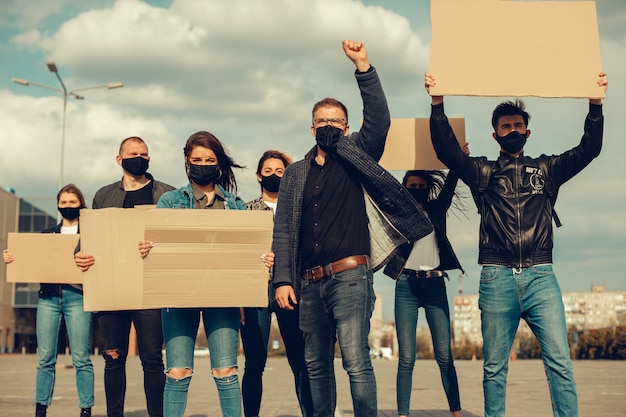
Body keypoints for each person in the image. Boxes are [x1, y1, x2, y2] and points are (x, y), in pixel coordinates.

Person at [425, 71, 608, 417]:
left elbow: (590, 149)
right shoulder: (483, 173)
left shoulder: (547, 170)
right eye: (505, 127)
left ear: (527, 132)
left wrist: (595, 103)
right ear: (495, 135)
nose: (512, 131)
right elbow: (447, 149)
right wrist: (437, 102)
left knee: (560, 363)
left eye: (517, 126)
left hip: (542, 277)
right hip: (497, 278)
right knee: (494, 368)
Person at [272, 40, 433, 417]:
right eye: (322, 121)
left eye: (335, 122)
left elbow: (379, 121)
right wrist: (282, 280)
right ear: (312, 127)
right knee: (315, 364)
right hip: (308, 283)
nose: (328, 126)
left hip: (350, 277)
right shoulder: (295, 173)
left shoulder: (356, 155)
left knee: (356, 359)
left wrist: (363, 66)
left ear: (347, 128)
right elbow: (282, 231)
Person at [139, 131, 248, 417]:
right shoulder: (169, 201)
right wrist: (149, 247)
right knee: (177, 372)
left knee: (227, 372)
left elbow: (246, 252)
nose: (202, 164)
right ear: (187, 163)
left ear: (219, 165)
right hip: (177, 296)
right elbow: (158, 247)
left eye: (209, 160)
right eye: (197, 159)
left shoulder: (236, 205)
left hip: (223, 296)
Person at [74, 136, 174, 417]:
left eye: (145, 153)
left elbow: (176, 237)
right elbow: (88, 238)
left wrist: (158, 245)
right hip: (111, 286)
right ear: (119, 159)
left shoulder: (167, 194)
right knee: (113, 357)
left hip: (149, 288)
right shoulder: (103, 195)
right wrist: (80, 255)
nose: (140, 157)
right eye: (133, 153)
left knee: (152, 358)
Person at [383, 164, 470, 417]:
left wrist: (458, 158)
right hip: (406, 286)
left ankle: (456, 412)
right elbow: (380, 187)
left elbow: (452, 183)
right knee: (406, 358)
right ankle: (403, 414)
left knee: (444, 355)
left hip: (435, 285)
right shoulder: (397, 213)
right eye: (413, 186)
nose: (418, 190)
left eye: (422, 187)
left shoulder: (436, 209)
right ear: (404, 188)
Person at [3, 184, 94, 417]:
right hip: (49, 299)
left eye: (72, 202)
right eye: (63, 203)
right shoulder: (46, 235)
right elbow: (29, 261)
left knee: (82, 357)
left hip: (78, 298)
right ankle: (41, 407)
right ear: (57, 205)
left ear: (81, 204)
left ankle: (86, 408)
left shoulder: (92, 236)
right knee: (45, 358)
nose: (67, 207)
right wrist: (13, 258)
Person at [241, 150, 314, 417]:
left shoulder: (299, 209)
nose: (274, 176)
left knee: (300, 360)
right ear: (259, 176)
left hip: (290, 289)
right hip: (254, 292)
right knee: (254, 362)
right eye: (268, 172)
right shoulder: (244, 209)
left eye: (280, 172)